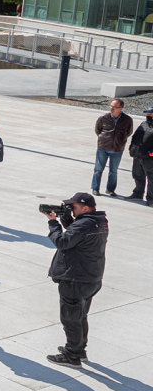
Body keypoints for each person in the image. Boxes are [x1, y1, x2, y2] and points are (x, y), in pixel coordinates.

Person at [43, 192, 109, 367]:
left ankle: (72, 356)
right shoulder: (98, 221)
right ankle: (79, 350)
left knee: (70, 318)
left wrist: (52, 223)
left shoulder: (84, 224)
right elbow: (78, 236)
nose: (71, 210)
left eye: (73, 207)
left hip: (75, 279)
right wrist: (67, 221)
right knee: (80, 316)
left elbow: (63, 242)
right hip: (91, 278)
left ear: (85, 208)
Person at [94, 99, 133, 196]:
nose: (112, 108)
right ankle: (95, 188)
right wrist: (104, 139)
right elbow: (98, 130)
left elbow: (129, 132)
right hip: (103, 148)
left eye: (115, 107)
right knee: (98, 169)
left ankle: (110, 190)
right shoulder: (103, 118)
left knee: (113, 171)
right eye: (111, 106)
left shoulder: (127, 120)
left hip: (117, 149)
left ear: (121, 108)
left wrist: (120, 141)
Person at [130, 106, 153, 205]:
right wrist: (131, 147)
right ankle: (138, 194)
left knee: (151, 179)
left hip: (149, 158)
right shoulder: (143, 124)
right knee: (137, 175)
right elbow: (135, 137)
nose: (148, 114)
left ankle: (151, 199)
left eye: (150, 113)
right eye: (147, 113)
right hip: (137, 155)